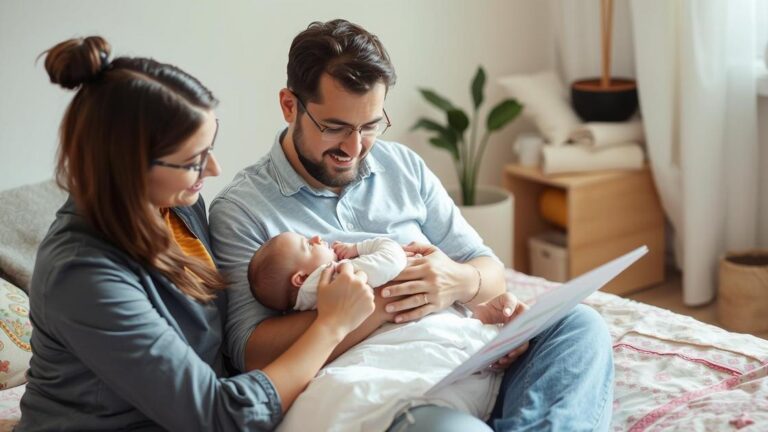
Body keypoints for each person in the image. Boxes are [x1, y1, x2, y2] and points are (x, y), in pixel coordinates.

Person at [209, 19, 614, 431]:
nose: (354, 148)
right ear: (290, 105)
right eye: (334, 128)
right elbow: (251, 354)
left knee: (579, 325)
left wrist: (458, 282)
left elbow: (489, 271)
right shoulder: (242, 210)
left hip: (464, 355)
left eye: (369, 126)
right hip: (385, 387)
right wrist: (389, 300)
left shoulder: (402, 166)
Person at [18, 36, 376, 432]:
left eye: (211, 145)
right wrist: (331, 325)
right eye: (194, 161)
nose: (214, 170)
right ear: (126, 167)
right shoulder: (82, 274)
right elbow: (219, 416)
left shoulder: (178, 207)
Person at [249, 233, 406, 311]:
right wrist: (358, 248)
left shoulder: (305, 304)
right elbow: (392, 259)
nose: (316, 238)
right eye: (309, 246)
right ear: (302, 278)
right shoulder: (336, 277)